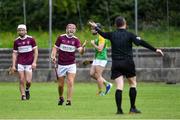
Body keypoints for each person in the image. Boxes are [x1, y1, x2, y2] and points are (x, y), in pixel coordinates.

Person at [89, 16, 164, 114]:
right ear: (125, 24)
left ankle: (119, 110)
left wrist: (96, 27)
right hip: (128, 62)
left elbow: (102, 33)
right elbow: (141, 42)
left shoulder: (112, 34)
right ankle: (132, 108)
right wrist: (155, 49)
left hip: (116, 64)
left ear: (115, 25)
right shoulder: (130, 35)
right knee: (133, 84)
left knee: (119, 86)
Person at [51, 23, 86, 106]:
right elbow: (55, 48)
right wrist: (53, 55)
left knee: (70, 82)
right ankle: (61, 97)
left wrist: (83, 48)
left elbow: (81, 52)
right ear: (66, 29)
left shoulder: (76, 40)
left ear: (75, 30)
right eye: (69, 28)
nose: (71, 29)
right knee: (60, 85)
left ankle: (69, 100)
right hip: (61, 64)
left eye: (73, 28)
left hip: (71, 64)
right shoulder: (61, 38)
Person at [12, 24, 38, 100]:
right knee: (21, 79)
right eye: (19, 30)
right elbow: (14, 53)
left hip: (29, 63)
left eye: (22, 30)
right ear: (17, 32)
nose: (21, 31)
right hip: (20, 63)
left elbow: (36, 51)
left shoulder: (31, 39)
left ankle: (27, 89)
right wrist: (13, 65)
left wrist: (34, 62)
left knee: (28, 81)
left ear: (26, 31)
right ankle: (23, 95)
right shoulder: (16, 41)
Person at [90, 23, 112, 96]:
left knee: (98, 75)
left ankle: (101, 92)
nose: (91, 30)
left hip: (101, 58)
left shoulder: (101, 37)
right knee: (92, 74)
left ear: (97, 29)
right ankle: (107, 84)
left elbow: (100, 49)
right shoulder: (97, 37)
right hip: (97, 58)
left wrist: (93, 44)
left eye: (92, 29)